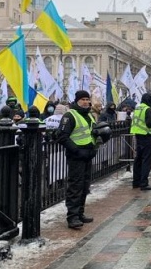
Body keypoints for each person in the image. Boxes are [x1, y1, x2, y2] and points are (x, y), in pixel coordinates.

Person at [57, 90, 98, 229]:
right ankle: (72, 216)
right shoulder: (70, 115)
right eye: (83, 99)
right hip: (76, 156)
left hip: (88, 155)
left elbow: (91, 133)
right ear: (77, 101)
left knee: (85, 185)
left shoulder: (89, 116)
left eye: (87, 99)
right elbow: (62, 136)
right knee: (75, 186)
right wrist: (76, 150)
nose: (86, 102)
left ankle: (80, 213)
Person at [131, 93, 151, 190]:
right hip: (146, 136)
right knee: (146, 160)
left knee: (138, 159)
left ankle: (136, 182)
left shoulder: (138, 108)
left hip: (138, 135)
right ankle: (144, 183)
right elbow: (150, 124)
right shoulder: (147, 109)